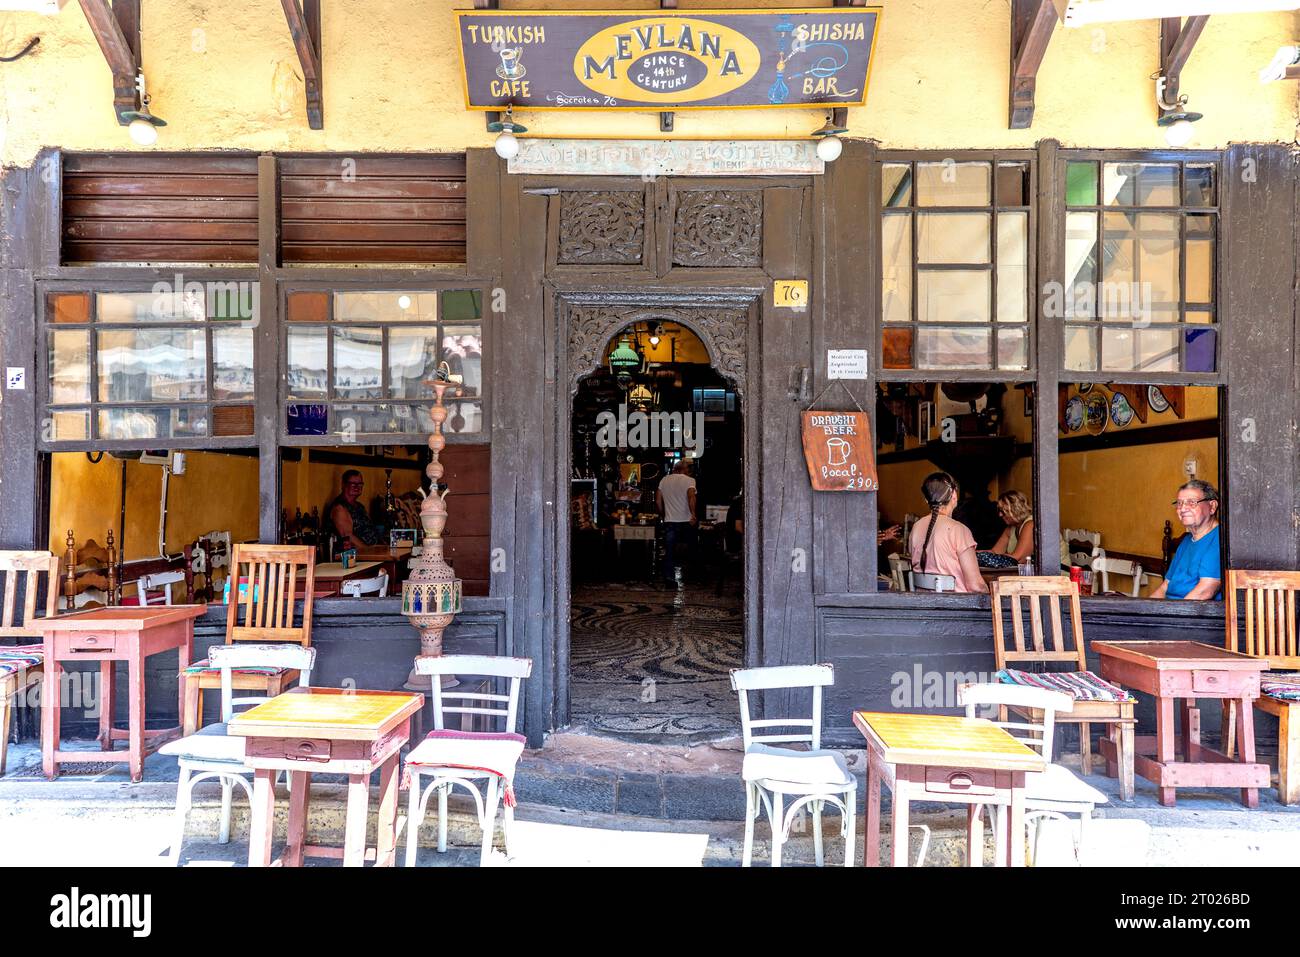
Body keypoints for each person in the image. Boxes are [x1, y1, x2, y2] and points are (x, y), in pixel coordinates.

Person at [909, 471, 987, 594]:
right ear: (954, 495)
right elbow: (976, 586)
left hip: (923, 605)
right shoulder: (959, 530)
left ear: (926, 500)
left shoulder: (916, 527)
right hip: (957, 608)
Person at [1150, 479, 1222, 600]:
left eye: (1191, 502)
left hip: (1190, 614)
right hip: (1169, 610)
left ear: (1212, 506)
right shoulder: (1186, 541)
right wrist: (1144, 610)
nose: (1182, 509)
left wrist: (1170, 617)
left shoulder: (1219, 539)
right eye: (1179, 503)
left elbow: (1205, 591)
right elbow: (1165, 587)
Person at [656, 460, 697, 584]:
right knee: (691, 549)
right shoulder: (690, 480)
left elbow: (658, 501)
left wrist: (663, 516)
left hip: (670, 521)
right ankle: (692, 577)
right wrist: (693, 514)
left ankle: (669, 578)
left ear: (674, 469)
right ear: (685, 470)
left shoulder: (664, 480)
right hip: (686, 521)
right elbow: (691, 497)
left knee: (669, 551)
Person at [326, 470, 387, 551]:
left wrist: (384, 546)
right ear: (343, 485)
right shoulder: (339, 508)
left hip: (375, 550)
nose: (357, 487)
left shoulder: (359, 506)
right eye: (353, 484)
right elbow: (348, 537)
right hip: (359, 556)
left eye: (360, 484)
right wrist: (369, 551)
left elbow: (371, 529)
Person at [980, 490, 1034, 568]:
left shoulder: (1030, 524)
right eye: (999, 511)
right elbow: (995, 552)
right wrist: (971, 554)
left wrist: (982, 558)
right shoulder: (1011, 528)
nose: (1000, 515)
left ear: (1016, 509)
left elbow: (1018, 558)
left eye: (1003, 511)